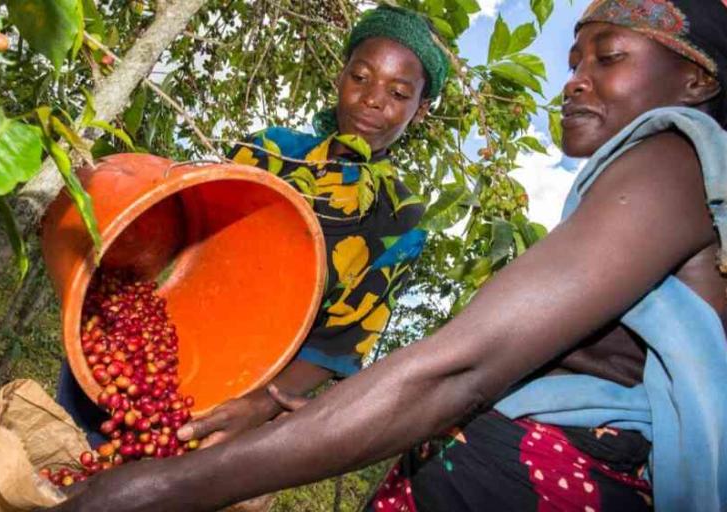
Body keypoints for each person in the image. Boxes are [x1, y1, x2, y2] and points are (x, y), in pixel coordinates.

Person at [51, 0, 727, 510]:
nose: (575, 81)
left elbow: (449, 365)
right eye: (574, 61)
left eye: (606, 58)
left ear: (697, 82)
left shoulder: (673, 160)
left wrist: (172, 480)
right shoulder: (271, 151)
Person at [55, 6, 448, 453]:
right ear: (340, 79)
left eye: (398, 93)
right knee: (71, 453)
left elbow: (339, 340)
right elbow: (183, 231)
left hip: (242, 385)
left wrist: (261, 405)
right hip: (145, 338)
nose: (373, 99)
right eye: (361, 77)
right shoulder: (270, 150)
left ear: (420, 111)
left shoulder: (399, 218)